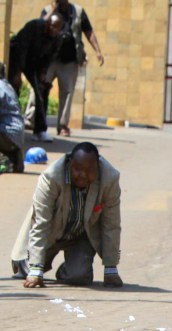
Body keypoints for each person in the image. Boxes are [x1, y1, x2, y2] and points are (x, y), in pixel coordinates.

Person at [10, 141, 123, 287]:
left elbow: (111, 224)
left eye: (89, 171)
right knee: (28, 271)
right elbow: (41, 222)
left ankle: (69, 269)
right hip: (50, 232)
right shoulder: (51, 177)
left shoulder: (110, 179)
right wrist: (36, 269)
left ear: (98, 168)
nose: (82, 175)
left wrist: (111, 268)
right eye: (77, 169)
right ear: (70, 164)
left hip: (82, 236)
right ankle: (30, 263)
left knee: (79, 277)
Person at [27, 1, 105, 137]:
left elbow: (88, 31)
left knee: (67, 93)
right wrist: (52, 10)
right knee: (38, 87)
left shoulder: (78, 12)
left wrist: (97, 51)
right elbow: (40, 27)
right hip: (49, 59)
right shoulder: (47, 10)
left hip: (69, 60)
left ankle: (62, 125)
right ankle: (30, 119)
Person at [7, 14, 63, 143]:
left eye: (58, 28)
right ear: (48, 23)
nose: (55, 31)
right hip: (17, 57)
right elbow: (22, 48)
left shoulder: (57, 39)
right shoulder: (34, 26)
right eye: (54, 27)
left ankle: (40, 130)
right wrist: (17, 73)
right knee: (13, 89)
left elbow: (49, 58)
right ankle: (11, 125)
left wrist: (43, 73)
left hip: (35, 63)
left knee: (42, 90)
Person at [0, 63, 26, 173]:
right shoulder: (6, 85)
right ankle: (13, 159)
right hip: (16, 136)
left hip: (8, 134)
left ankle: (4, 160)